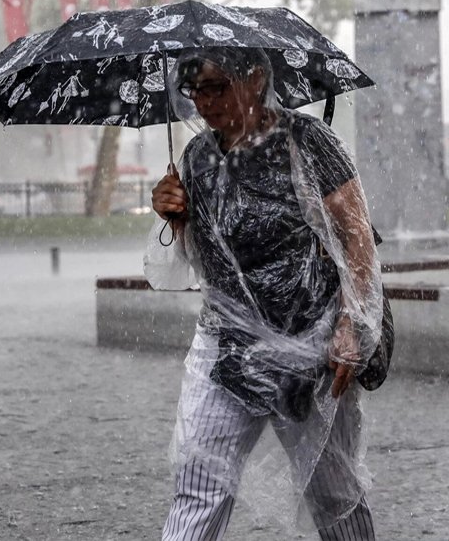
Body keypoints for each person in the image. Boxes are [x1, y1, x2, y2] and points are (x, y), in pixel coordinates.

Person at [146, 48, 383, 540]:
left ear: (255, 78)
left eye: (216, 87)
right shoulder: (196, 159)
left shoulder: (307, 142)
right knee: (200, 482)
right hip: (227, 348)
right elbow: (202, 261)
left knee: (333, 492)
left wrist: (353, 324)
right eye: (195, 91)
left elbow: (357, 235)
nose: (204, 103)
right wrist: (174, 217)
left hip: (311, 349)